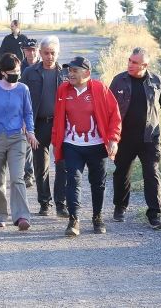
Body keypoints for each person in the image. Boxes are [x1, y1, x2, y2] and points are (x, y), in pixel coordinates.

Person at [51, 57, 121, 236]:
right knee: (73, 180)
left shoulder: (99, 89)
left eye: (75, 71)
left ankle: (97, 217)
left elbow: (114, 115)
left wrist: (113, 139)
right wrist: (56, 141)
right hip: (72, 144)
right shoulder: (63, 90)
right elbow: (59, 118)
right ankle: (74, 219)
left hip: (96, 145)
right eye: (69, 70)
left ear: (87, 73)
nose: (70, 74)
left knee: (98, 183)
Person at [109, 47, 161, 229]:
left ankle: (154, 214)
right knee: (122, 171)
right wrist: (110, 136)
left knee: (152, 173)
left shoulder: (156, 81)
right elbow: (108, 108)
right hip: (125, 137)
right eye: (129, 60)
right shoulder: (119, 80)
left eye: (135, 62)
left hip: (149, 137)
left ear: (145, 65)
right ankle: (120, 207)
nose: (130, 64)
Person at [0, 53, 39, 229]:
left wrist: (30, 132)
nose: (17, 74)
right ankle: (0, 215)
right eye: (13, 71)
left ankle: (22, 216)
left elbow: (28, 113)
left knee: (17, 178)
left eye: (18, 71)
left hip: (17, 138)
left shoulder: (23, 89)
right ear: (3, 72)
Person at [21, 35, 68, 217]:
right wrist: (25, 124)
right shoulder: (30, 73)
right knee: (41, 166)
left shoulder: (65, 73)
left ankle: (60, 203)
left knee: (62, 164)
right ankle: (44, 202)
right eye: (46, 53)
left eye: (53, 53)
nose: (49, 56)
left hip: (60, 125)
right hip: (38, 125)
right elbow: (22, 99)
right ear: (40, 53)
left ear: (58, 53)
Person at [20, 38, 39, 187]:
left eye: (33, 49)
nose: (31, 53)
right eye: (28, 50)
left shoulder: (45, 65)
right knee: (27, 144)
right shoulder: (19, 67)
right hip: (26, 111)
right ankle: (29, 174)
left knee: (40, 145)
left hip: (43, 111)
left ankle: (39, 171)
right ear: (24, 51)